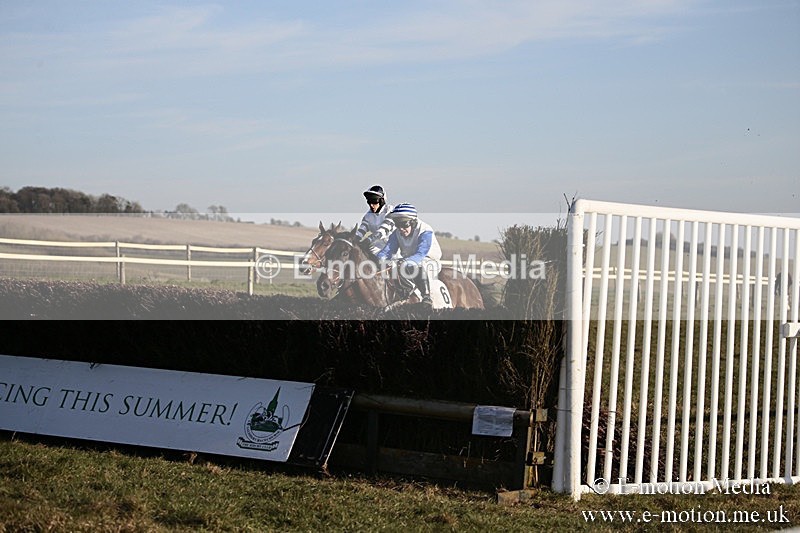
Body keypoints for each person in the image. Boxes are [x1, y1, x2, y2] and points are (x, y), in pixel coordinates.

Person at [376, 203, 441, 307]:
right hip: (408, 261)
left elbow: (421, 254)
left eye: (404, 224)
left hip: (429, 261)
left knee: (414, 265)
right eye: (397, 224)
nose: (401, 228)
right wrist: (379, 260)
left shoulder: (425, 230)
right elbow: (387, 251)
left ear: (413, 222)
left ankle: (426, 297)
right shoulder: (396, 233)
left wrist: (404, 262)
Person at [355, 185, 395, 255]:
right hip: (376, 247)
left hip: (393, 247)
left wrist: (368, 239)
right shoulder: (368, 215)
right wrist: (352, 239)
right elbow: (361, 231)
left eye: (374, 201)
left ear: (382, 201)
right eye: (369, 202)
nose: (371, 205)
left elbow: (382, 231)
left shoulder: (391, 211)